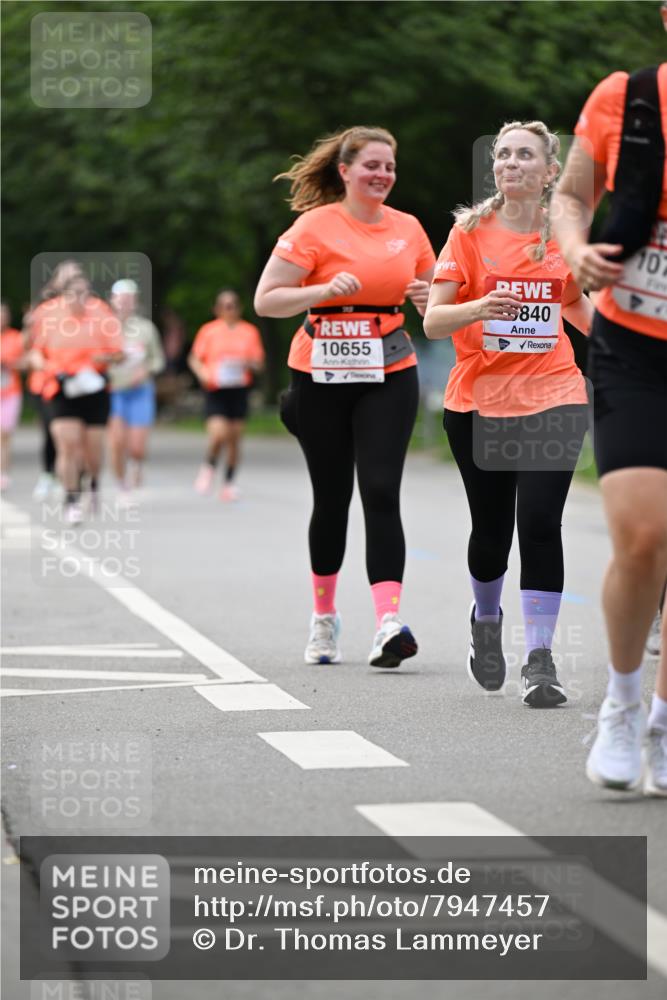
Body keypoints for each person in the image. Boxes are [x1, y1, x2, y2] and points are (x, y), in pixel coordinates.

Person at [424, 121, 593, 706]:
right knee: (492, 533)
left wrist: (635, 351)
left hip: (555, 395)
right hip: (479, 403)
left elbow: (574, 303)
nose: (511, 163)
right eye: (503, 155)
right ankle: (487, 621)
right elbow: (434, 321)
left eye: (526, 156)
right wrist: (480, 306)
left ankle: (541, 658)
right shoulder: (468, 233)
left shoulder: (563, 234)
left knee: (541, 524)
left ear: (550, 173)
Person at [254, 125, 435, 667]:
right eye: (371, 166)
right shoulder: (314, 227)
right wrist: (320, 291)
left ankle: (388, 623)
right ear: (345, 171)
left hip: (389, 367)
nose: (381, 175)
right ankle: (325, 619)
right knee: (332, 499)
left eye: (389, 167)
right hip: (321, 374)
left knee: (381, 491)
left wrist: (430, 299)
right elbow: (267, 300)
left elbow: (439, 310)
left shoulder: (409, 229)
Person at [551, 17, 667, 793]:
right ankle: (621, 705)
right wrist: (572, 249)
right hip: (632, 344)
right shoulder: (624, 99)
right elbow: (569, 195)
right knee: (643, 535)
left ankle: (661, 723)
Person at [28, 273, 123, 523]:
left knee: (91, 451)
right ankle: (71, 499)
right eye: (74, 293)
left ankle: (92, 482)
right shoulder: (50, 315)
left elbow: (118, 353)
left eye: (85, 293)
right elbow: (36, 353)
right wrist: (48, 369)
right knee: (68, 444)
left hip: (94, 388)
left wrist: (103, 360)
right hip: (62, 388)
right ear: (64, 295)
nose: (79, 299)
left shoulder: (101, 313)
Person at [189, 289, 265, 501]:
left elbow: (259, 363)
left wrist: (248, 363)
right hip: (216, 389)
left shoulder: (249, 332)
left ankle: (229, 483)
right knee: (218, 435)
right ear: (217, 309)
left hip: (238, 389)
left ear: (239, 308)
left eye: (232, 305)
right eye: (224, 306)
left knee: (234, 439)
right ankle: (208, 466)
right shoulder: (209, 331)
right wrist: (202, 372)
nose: (229, 310)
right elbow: (194, 358)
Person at [25, 260, 84, 501]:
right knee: (54, 433)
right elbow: (28, 347)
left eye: (76, 275)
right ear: (56, 280)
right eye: (66, 276)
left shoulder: (86, 307)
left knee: (78, 434)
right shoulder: (43, 308)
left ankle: (71, 478)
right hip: (47, 382)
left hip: (80, 381)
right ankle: (50, 474)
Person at [108, 279, 165, 499]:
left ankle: (136, 464)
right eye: (121, 299)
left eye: (129, 299)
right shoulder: (104, 328)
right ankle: (122, 485)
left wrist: (147, 370)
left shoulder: (146, 329)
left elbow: (158, 359)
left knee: (137, 445)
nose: (125, 303)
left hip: (140, 391)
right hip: (114, 391)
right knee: (116, 441)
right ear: (113, 301)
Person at [0, 302, 25, 491]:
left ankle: (3, 473)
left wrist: (9, 364)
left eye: (3, 315)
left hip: (10, 392)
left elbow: (26, 363)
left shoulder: (15, 337)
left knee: (4, 434)